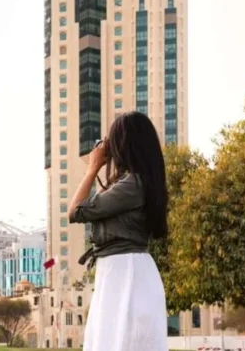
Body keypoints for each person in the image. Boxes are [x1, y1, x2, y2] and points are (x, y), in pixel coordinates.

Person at [68, 111, 168, 351]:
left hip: (125, 274)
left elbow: (76, 211)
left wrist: (93, 167)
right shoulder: (133, 182)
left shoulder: (133, 185)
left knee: (119, 342)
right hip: (122, 271)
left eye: (112, 140)